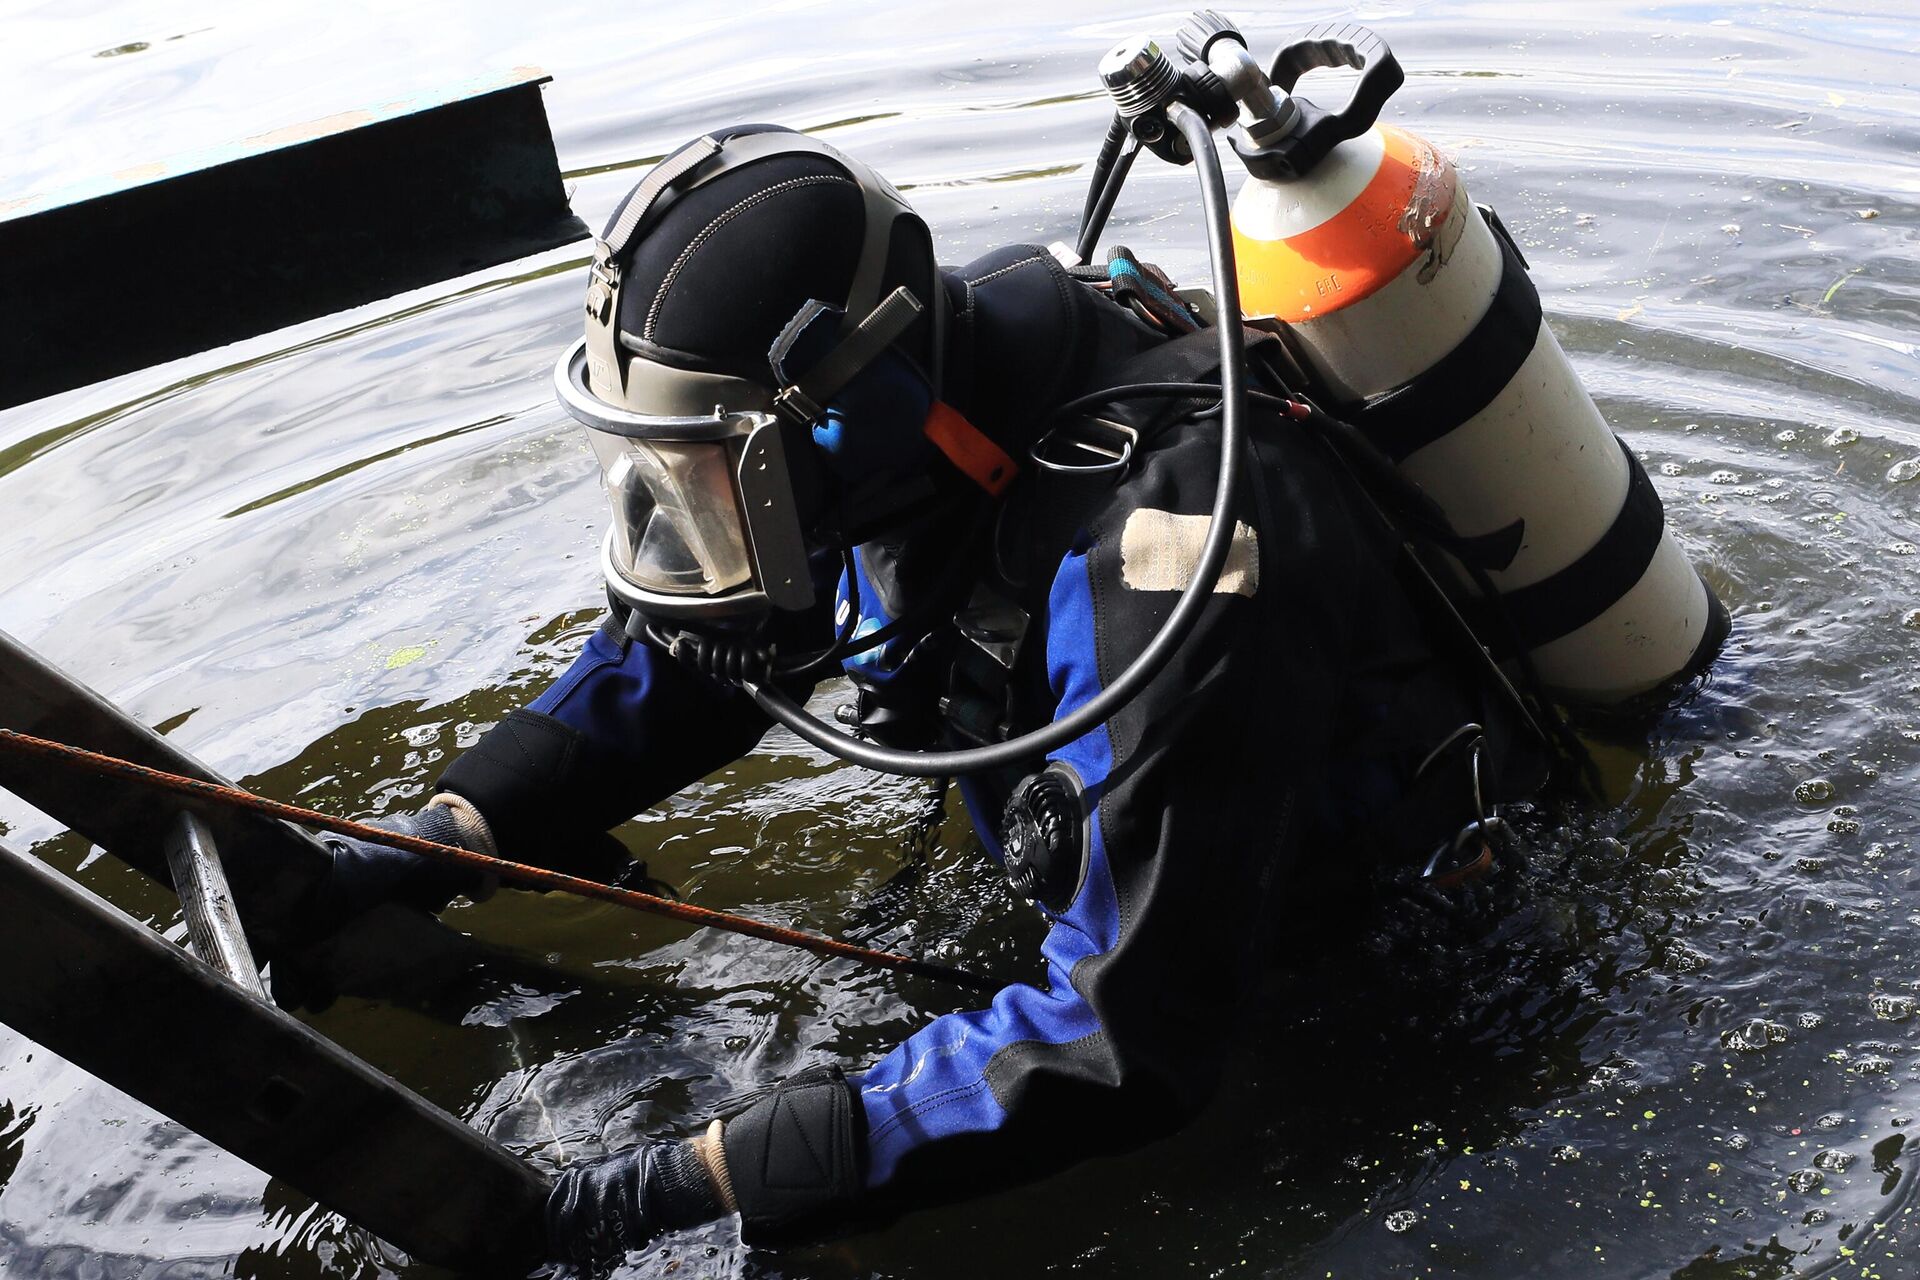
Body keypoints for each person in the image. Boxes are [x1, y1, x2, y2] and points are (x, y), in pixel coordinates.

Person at [309, 124, 1559, 1266]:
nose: (685, 522)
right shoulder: (908, 430)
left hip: (1380, 975)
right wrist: (440, 834)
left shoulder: (1170, 559)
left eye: (705, 479)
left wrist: (675, 1185)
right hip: (1131, 869)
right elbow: (703, 648)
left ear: (844, 414)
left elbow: (1119, 1035)